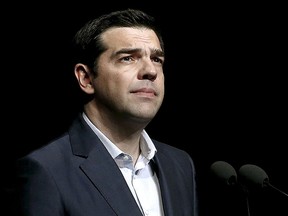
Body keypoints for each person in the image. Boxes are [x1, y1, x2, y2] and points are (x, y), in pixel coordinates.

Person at [16, 8, 198, 216]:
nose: (151, 71)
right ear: (86, 78)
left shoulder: (180, 164)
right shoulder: (46, 170)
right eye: (128, 58)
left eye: (157, 59)